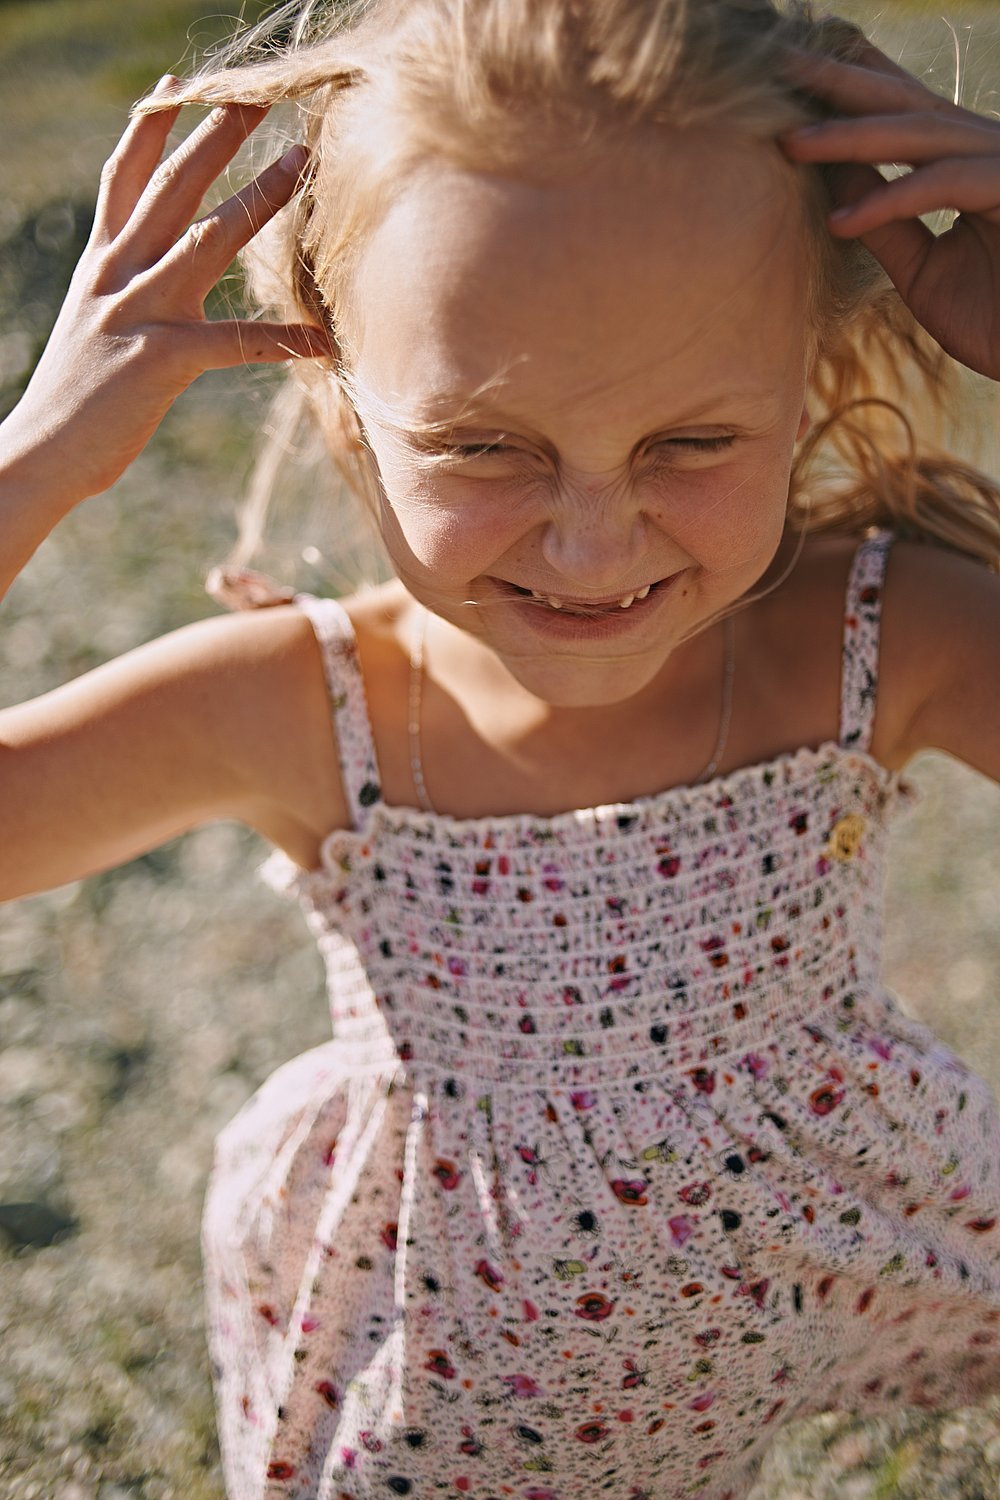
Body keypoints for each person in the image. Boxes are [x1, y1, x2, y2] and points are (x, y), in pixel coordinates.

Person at [1, 0, 998, 1495]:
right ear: (339, 390)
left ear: (808, 374)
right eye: (484, 446)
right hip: (446, 1393)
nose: (594, 544)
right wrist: (39, 462)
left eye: (691, 444)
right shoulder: (302, 705)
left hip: (855, 1251)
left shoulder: (872, 638)